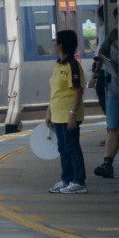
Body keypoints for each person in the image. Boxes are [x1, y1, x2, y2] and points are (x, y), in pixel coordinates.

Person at [47, 28, 87, 193]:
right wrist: (49, 112)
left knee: (72, 147)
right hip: (58, 115)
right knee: (63, 148)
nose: (54, 45)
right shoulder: (58, 65)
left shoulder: (72, 66)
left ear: (61, 45)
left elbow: (78, 91)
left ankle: (79, 181)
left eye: (56, 42)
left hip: (69, 115)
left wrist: (72, 114)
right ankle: (66, 179)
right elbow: (56, 92)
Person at [93, 6, 119, 178]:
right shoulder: (113, 35)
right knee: (113, 127)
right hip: (113, 86)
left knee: (115, 127)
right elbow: (101, 51)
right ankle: (107, 163)